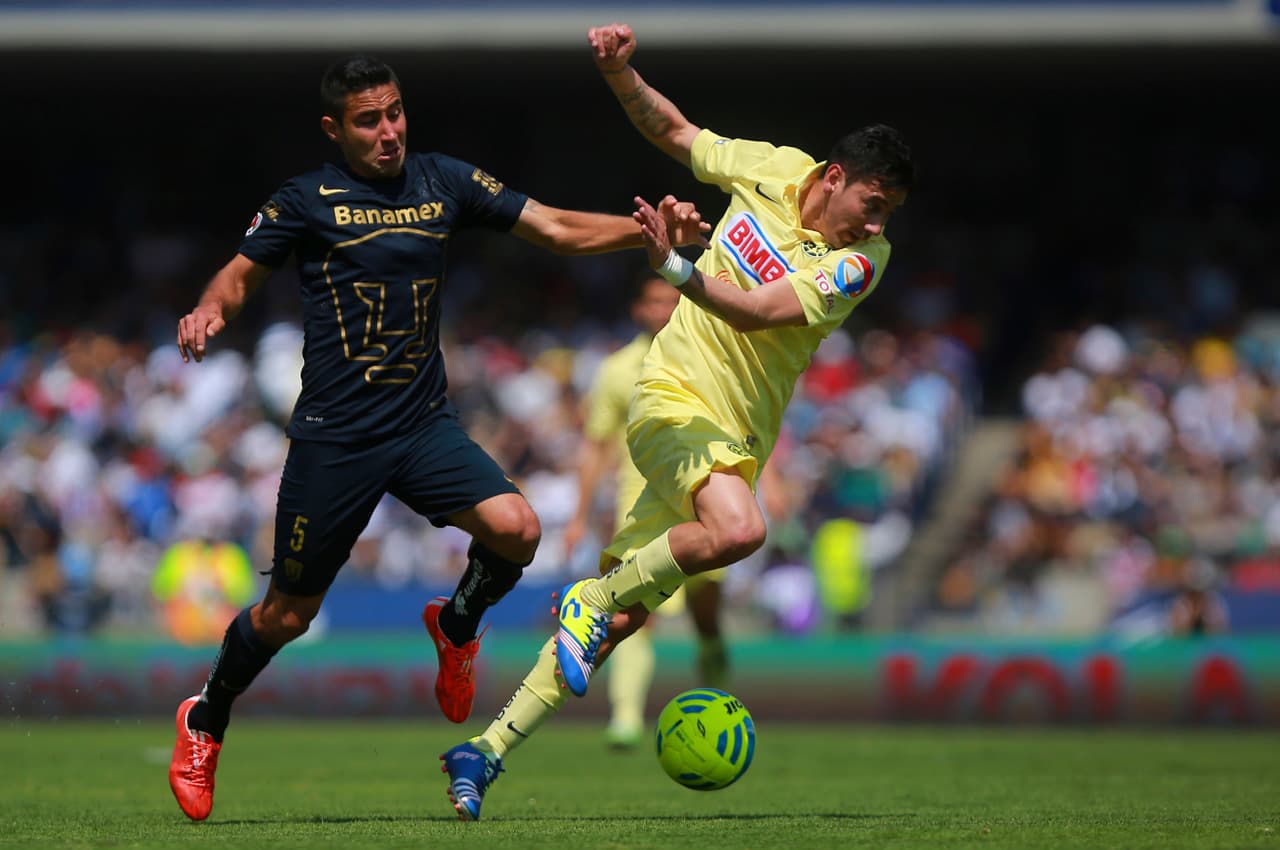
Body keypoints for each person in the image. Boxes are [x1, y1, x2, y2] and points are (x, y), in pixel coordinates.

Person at [168, 53, 708, 822]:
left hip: (422, 424)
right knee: (287, 616)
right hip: (336, 439)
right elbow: (239, 273)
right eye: (368, 120)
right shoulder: (305, 199)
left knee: (518, 528)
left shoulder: (442, 180)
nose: (389, 131)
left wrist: (648, 235)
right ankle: (207, 716)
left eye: (394, 113)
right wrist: (208, 310)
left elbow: (554, 227)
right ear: (334, 128)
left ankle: (456, 625)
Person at [438, 22, 915, 820]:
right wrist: (621, 74)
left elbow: (759, 311)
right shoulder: (770, 167)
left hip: (734, 440)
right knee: (739, 531)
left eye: (889, 213)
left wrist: (674, 264)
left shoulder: (865, 261)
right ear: (834, 178)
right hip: (671, 397)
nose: (876, 225)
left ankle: (484, 750)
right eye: (873, 204)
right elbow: (677, 132)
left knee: (618, 623)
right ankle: (591, 599)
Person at [561, 270, 729, 750]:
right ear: (639, 309)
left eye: (670, 301)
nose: (662, 310)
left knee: (705, 612)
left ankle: (716, 676)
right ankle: (626, 718)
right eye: (653, 301)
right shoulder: (617, 370)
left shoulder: (710, 355)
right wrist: (578, 517)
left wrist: (770, 479)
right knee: (635, 612)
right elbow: (596, 447)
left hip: (707, 499)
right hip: (641, 508)